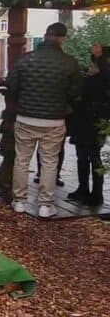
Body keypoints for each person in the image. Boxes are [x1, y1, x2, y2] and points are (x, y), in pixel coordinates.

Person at [6, 22, 81, 219]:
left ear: (46, 35)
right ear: (61, 38)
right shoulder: (70, 62)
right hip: (54, 121)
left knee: (21, 160)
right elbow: (75, 93)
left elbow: (11, 86)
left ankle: (19, 202)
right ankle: (45, 205)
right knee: (49, 163)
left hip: (26, 118)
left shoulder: (24, 60)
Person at [67, 44, 110, 206]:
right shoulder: (94, 78)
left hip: (93, 119)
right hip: (88, 119)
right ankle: (84, 189)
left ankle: (95, 193)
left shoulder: (102, 77)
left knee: (91, 156)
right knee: (84, 156)